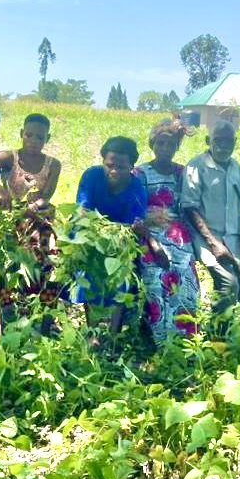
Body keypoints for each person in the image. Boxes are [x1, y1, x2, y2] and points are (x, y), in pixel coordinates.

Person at [181, 121, 240, 336]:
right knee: (229, 284)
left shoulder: (235, 167)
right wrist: (214, 243)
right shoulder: (196, 166)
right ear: (209, 141)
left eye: (229, 142)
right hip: (208, 237)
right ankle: (218, 338)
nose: (223, 146)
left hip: (235, 236)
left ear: (235, 143)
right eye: (218, 141)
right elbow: (190, 208)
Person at [0, 113, 62, 307]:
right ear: (22, 133)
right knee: (4, 262)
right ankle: (7, 306)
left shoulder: (53, 164)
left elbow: (46, 195)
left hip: (38, 217)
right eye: (29, 135)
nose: (33, 141)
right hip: (10, 218)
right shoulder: (10, 157)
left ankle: (42, 309)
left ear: (47, 139)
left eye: (40, 137)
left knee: (51, 260)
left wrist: (33, 207)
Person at [74, 136, 148, 334]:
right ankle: (93, 331)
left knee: (121, 275)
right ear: (103, 162)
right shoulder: (92, 176)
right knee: (87, 270)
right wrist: (95, 232)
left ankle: (113, 333)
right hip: (89, 233)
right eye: (109, 165)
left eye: (121, 167)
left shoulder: (136, 187)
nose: (114, 171)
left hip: (121, 239)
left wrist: (132, 229)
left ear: (132, 166)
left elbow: (133, 224)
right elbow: (82, 210)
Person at [137, 117, 201, 341]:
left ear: (177, 147)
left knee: (183, 274)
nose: (164, 149)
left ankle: (185, 337)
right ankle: (159, 337)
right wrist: (151, 239)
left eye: (170, 145)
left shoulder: (182, 173)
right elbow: (136, 209)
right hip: (148, 230)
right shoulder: (141, 173)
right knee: (155, 277)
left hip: (177, 232)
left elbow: (189, 205)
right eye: (160, 144)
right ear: (152, 144)